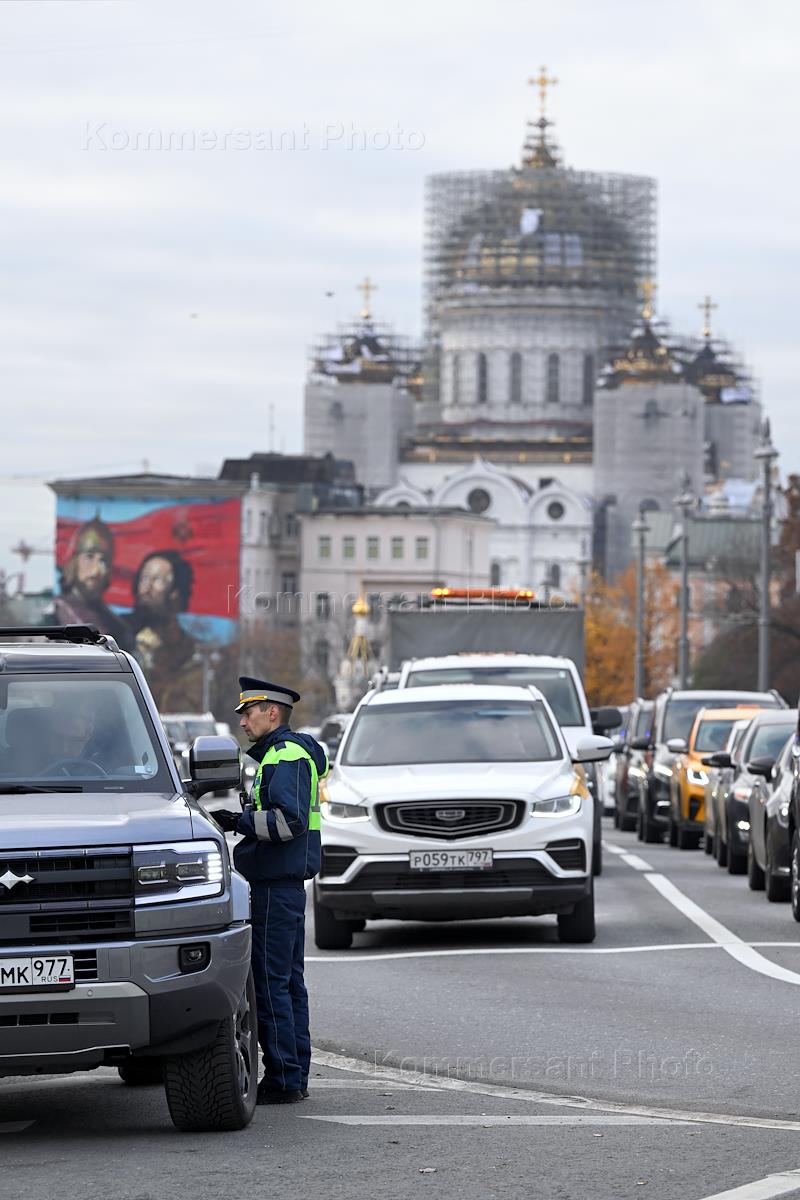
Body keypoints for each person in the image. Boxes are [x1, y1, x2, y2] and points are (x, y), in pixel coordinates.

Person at [214, 676, 328, 1105]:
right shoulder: (284, 754)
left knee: (270, 983)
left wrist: (238, 822)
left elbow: (289, 820)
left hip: (273, 887)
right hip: (283, 885)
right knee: (287, 983)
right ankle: (294, 1074)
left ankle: (283, 1078)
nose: (243, 721)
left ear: (272, 712)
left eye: (248, 712)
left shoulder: (285, 756)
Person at [52, 519, 133, 651]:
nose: (96, 570)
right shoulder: (54, 613)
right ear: (74, 562)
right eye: (89, 557)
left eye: (103, 561)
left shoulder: (118, 626)